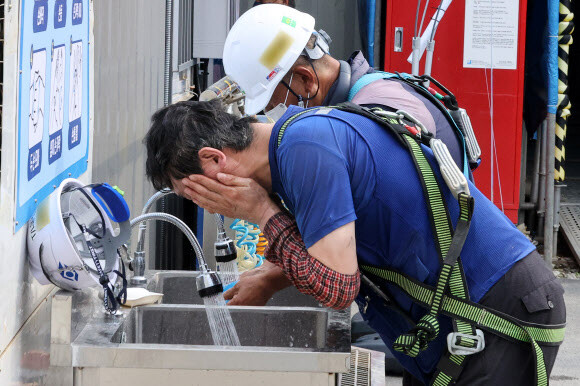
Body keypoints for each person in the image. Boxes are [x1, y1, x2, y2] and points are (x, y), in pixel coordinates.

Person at [144, 99, 565, 386]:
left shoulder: (305, 149)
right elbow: (340, 243)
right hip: (464, 319)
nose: (208, 206)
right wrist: (273, 277)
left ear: (215, 161)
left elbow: (337, 285)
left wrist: (261, 213)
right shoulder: (293, 135)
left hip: (498, 307)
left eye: (194, 193)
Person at [222, 3, 475, 309]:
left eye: (272, 102)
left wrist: (263, 213)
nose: (271, 116)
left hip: (465, 303)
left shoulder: (376, 111)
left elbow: (350, 260)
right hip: (434, 292)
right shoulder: (363, 101)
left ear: (306, 79)